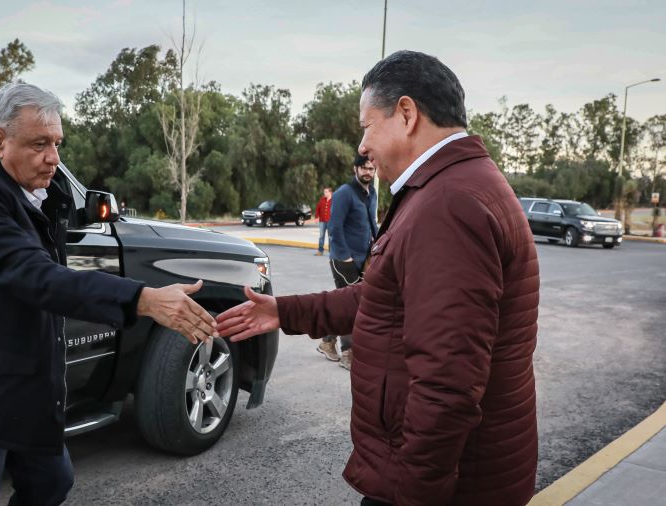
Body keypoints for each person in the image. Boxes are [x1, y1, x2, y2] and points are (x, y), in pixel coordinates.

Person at [217, 50, 539, 506]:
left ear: (406, 114)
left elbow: (447, 384)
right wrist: (284, 311)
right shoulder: (455, 185)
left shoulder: (448, 204)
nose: (363, 146)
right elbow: (386, 297)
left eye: (367, 126)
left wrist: (412, 495)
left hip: (441, 487)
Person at [0, 83, 218, 506]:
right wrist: (144, 298)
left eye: (56, 143)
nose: (54, 157)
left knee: (51, 482)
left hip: (17, 383)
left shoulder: (35, 191)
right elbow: (36, 276)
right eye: (40, 144)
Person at [317, 156, 378, 369]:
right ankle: (347, 353)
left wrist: (379, 247)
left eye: (371, 168)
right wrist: (346, 257)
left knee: (350, 303)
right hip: (344, 260)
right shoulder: (344, 193)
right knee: (351, 306)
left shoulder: (371, 193)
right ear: (355, 168)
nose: (368, 172)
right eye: (364, 168)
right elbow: (334, 227)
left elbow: (372, 223)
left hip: (364, 259)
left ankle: (327, 341)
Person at [313, 187, 333, 256]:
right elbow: (317, 208)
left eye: (326, 192)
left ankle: (332, 252)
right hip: (322, 221)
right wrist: (316, 217)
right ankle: (320, 251)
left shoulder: (334, 200)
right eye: (324, 192)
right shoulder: (322, 199)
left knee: (330, 237)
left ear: (330, 192)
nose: (325, 193)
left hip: (331, 221)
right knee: (321, 236)